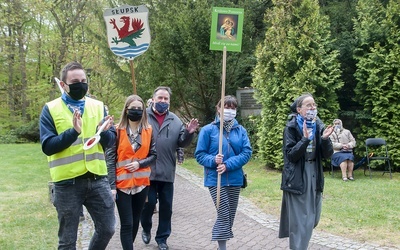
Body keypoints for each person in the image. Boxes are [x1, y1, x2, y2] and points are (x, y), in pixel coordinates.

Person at [39, 61, 116, 249]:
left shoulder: (99, 106)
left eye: (83, 80)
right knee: (67, 241)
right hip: (67, 183)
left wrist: (103, 131)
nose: (80, 84)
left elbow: (111, 140)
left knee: (107, 229)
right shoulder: (50, 109)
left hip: (97, 179)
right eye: (75, 81)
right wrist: (73, 132)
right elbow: (48, 146)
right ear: (63, 85)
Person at [140, 86, 199, 250]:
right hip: (147, 171)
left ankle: (162, 238)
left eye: (166, 99)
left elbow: (182, 143)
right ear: (153, 98)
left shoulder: (175, 120)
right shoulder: (143, 116)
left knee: (166, 208)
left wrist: (189, 132)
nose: (163, 101)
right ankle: (145, 227)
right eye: (160, 98)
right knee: (148, 204)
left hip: (167, 172)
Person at [195, 95, 252, 250]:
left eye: (233, 108)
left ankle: (222, 242)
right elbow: (199, 155)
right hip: (215, 179)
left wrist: (227, 164)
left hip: (234, 178)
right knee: (224, 212)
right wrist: (213, 160)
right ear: (218, 108)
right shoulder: (208, 130)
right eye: (226, 107)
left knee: (230, 215)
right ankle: (222, 247)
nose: (229, 111)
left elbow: (246, 153)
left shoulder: (240, 131)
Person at [278, 93, 334, 250]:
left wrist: (324, 139)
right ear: (299, 109)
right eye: (308, 105)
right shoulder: (291, 127)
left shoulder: (318, 125)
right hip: (297, 177)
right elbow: (291, 156)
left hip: (314, 174)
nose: (313, 108)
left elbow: (328, 155)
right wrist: (305, 139)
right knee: (300, 223)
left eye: (314, 105)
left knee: (313, 219)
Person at [105, 95, 157, 250]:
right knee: (127, 223)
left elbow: (154, 155)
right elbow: (110, 160)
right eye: (133, 108)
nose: (136, 111)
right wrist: (112, 186)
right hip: (122, 185)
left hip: (142, 184)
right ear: (126, 110)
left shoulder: (148, 130)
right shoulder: (116, 130)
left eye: (139, 109)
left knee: (135, 222)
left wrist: (139, 163)